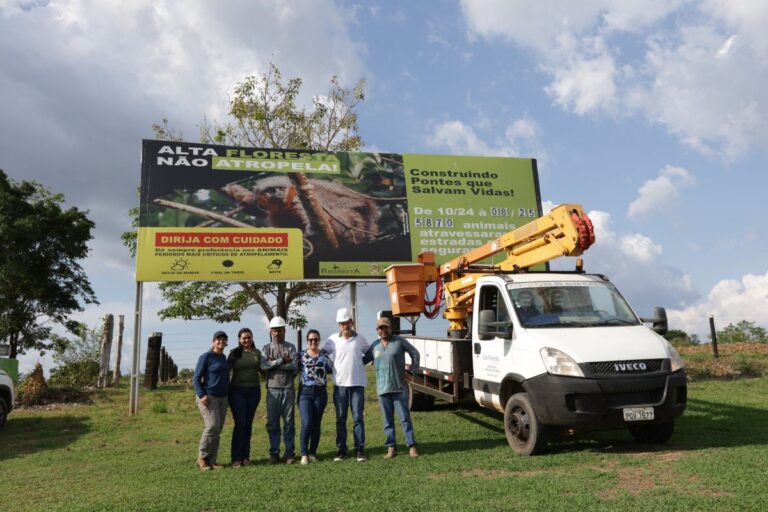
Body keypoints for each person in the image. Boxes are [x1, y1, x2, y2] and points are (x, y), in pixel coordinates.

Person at [364, 317, 421, 459]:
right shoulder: (374, 346)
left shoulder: (399, 341)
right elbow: (362, 360)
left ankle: (411, 446)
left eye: (385, 327)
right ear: (377, 330)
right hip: (382, 390)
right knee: (387, 421)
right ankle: (391, 448)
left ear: (390, 328)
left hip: (399, 388)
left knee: (404, 419)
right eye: (380, 328)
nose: (383, 330)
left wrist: (411, 372)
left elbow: (415, 354)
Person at [322, 307, 370, 462]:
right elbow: (322, 354)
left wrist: (360, 362)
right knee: (340, 419)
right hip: (340, 384)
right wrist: (331, 365)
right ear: (339, 324)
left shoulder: (361, 339)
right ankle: (341, 450)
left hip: (357, 384)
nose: (345, 326)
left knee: (358, 418)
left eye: (347, 322)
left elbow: (369, 354)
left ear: (352, 322)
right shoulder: (332, 340)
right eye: (342, 323)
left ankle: (359, 450)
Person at [261, 316, 298, 464]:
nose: (277, 333)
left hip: (288, 388)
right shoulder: (266, 348)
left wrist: (273, 364)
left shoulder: (291, 347)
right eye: (275, 330)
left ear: (284, 330)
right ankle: (274, 453)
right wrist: (282, 361)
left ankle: (289, 454)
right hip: (272, 389)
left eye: (280, 330)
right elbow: (263, 366)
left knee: (289, 422)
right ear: (271, 331)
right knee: (273, 423)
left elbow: (294, 366)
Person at [193, 330, 230, 471]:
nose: (221, 341)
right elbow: (196, 379)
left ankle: (212, 460)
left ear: (226, 342)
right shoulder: (206, 357)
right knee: (212, 426)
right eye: (218, 339)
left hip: (223, 398)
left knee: (218, 429)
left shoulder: (223, 357)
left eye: (223, 339)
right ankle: (202, 457)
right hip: (208, 397)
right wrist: (202, 395)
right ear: (213, 341)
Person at [297, 329, 334, 465]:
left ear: (319, 340)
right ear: (307, 341)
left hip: (320, 393)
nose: (313, 342)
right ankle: (304, 453)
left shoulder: (324, 356)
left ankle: (312, 452)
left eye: (316, 339)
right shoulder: (300, 355)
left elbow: (333, 368)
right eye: (311, 339)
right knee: (307, 423)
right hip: (305, 393)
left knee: (316, 424)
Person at [227, 327, 262, 468]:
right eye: (244, 338)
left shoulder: (257, 353)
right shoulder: (234, 353)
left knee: (248, 424)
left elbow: (263, 370)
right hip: (237, 391)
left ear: (252, 338)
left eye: (249, 337)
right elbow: (225, 371)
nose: (246, 340)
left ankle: (246, 457)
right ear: (239, 340)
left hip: (254, 391)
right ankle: (236, 458)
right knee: (240, 423)